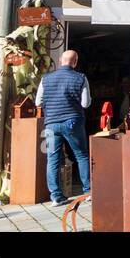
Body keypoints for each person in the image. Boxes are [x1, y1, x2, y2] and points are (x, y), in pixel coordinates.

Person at [36, 49, 92, 205]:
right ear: (75, 62)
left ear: (60, 60)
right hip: (72, 122)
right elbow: (85, 103)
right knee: (81, 155)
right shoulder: (80, 78)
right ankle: (88, 191)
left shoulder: (45, 79)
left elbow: (37, 102)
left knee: (52, 159)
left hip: (51, 123)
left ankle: (56, 196)